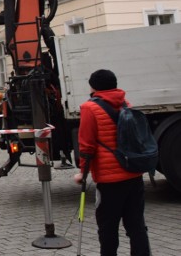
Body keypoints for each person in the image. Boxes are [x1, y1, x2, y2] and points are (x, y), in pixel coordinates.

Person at [74, 69, 150, 256]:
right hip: (133, 173)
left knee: (108, 227)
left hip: (109, 181)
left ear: (93, 87)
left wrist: (82, 174)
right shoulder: (125, 104)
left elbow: (87, 146)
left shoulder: (89, 108)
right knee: (136, 225)